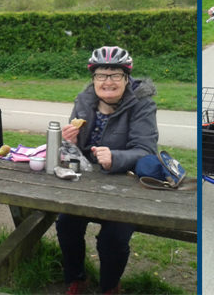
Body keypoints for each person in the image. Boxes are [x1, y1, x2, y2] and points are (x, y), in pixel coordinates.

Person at [56, 46, 158, 295]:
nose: (108, 81)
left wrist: (116, 158)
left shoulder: (142, 104)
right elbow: (76, 150)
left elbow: (146, 149)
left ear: (127, 78)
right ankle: (77, 278)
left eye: (115, 75)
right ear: (93, 78)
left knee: (113, 238)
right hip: (88, 181)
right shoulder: (84, 100)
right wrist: (70, 141)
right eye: (101, 75)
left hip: (127, 183)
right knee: (66, 224)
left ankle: (110, 286)